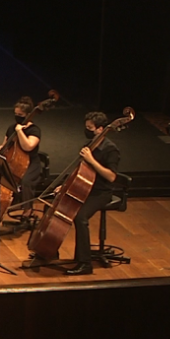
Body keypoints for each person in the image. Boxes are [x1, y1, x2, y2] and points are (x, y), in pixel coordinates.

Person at [64, 111, 121, 276]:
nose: (86, 130)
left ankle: (85, 263)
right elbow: (80, 170)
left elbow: (111, 176)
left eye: (90, 128)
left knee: (80, 217)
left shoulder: (111, 149)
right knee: (56, 204)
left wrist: (92, 160)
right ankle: (49, 251)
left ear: (100, 129)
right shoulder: (89, 145)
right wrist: (65, 185)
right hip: (85, 188)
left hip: (101, 193)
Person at [7, 96, 47, 212]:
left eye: (20, 115)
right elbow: (5, 143)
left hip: (31, 163)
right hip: (14, 162)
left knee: (26, 182)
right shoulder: (11, 128)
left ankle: (27, 210)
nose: (17, 117)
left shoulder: (34, 130)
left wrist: (20, 131)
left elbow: (28, 146)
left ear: (29, 115)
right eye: (16, 114)